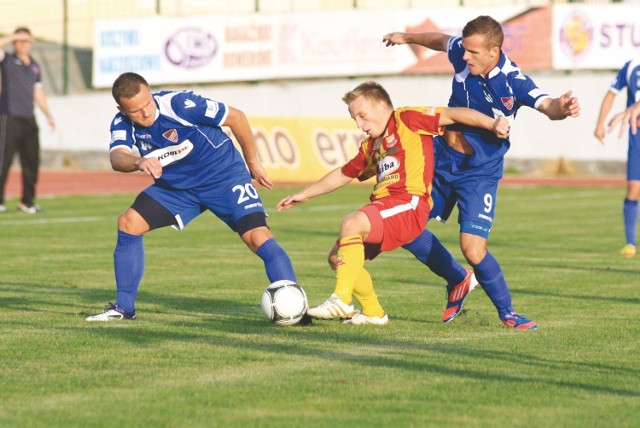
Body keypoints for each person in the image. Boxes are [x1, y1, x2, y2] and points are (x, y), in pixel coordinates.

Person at [383, 15, 580, 330]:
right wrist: (407, 38)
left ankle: (508, 313)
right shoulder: (462, 51)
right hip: (441, 159)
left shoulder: (514, 81)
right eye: (465, 50)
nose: (464, 56)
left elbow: (547, 106)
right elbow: (440, 40)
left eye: (473, 52)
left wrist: (563, 107)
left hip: (480, 171)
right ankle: (457, 279)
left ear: (494, 51)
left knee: (473, 248)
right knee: (405, 226)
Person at [276, 81, 509, 325]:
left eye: (362, 116)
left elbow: (452, 114)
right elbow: (345, 172)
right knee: (337, 258)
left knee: (352, 223)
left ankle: (342, 300)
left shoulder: (406, 118)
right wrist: (305, 194)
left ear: (381, 106)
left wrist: (492, 123)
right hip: (388, 207)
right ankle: (373, 312)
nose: (359, 124)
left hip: (409, 203)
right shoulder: (372, 145)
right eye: (354, 119)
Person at [86, 72, 297, 321]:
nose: (145, 113)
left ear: (150, 92)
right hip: (178, 188)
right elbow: (117, 158)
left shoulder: (179, 105)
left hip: (223, 176)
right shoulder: (121, 122)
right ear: (121, 109)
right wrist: (138, 161)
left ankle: (293, 305)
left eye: (147, 104)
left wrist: (253, 162)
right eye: (135, 111)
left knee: (256, 236)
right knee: (128, 223)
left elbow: (236, 117)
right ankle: (123, 309)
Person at [0, 26, 55, 214]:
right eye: (20, 41)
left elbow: (37, 92)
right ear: (15, 42)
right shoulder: (6, 59)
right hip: (10, 116)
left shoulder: (35, 65)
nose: (23, 44)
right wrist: (13, 36)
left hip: (28, 118)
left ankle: (27, 201)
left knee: (32, 160)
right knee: (3, 160)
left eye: (27, 41)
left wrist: (48, 115)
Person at [594, 59, 640, 257]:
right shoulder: (631, 66)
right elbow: (612, 93)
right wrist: (600, 123)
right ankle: (630, 242)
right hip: (635, 134)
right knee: (634, 186)